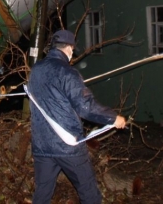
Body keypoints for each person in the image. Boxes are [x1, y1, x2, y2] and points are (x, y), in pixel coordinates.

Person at [27, 29, 126, 204]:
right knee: (89, 193)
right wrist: (113, 118)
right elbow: (85, 107)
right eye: (72, 49)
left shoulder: (36, 70)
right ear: (69, 48)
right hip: (67, 146)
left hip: (42, 144)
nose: (72, 52)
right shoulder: (68, 72)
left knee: (42, 194)